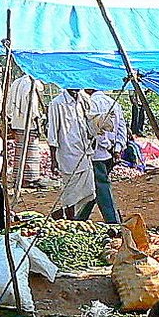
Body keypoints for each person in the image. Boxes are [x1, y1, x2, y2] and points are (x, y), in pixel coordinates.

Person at [45, 87, 94, 219]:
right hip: (68, 153)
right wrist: (53, 160)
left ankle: (69, 216)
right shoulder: (57, 103)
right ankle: (70, 219)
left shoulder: (82, 100)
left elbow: (88, 122)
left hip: (83, 151)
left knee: (89, 190)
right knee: (70, 193)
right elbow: (52, 134)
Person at [78, 89, 125, 224]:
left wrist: (106, 146)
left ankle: (113, 221)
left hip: (97, 153)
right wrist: (117, 148)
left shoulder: (91, 103)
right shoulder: (113, 103)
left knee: (101, 187)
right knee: (94, 187)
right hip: (110, 152)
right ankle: (80, 218)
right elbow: (122, 128)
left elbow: (97, 131)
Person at [5, 71, 45, 187]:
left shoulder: (16, 83)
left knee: (20, 152)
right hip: (28, 123)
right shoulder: (30, 84)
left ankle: (19, 177)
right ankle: (29, 178)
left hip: (17, 122)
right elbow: (33, 107)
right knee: (31, 153)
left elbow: (9, 104)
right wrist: (38, 124)